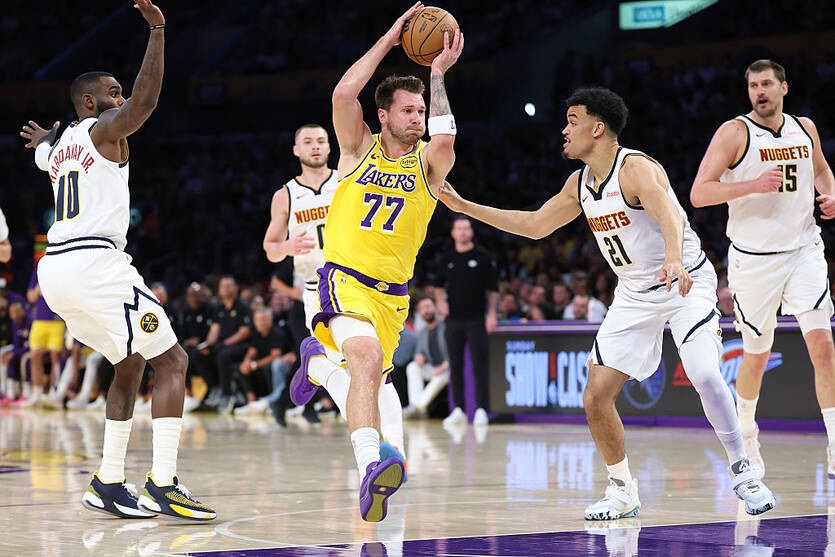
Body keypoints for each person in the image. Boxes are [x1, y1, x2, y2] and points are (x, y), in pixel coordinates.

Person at [439, 86, 775, 519]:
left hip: (683, 283)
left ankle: (744, 471)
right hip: (633, 293)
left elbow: (669, 214)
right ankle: (622, 490)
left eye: (572, 121)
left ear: (597, 128)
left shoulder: (635, 168)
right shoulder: (579, 183)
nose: (564, 130)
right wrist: (462, 205)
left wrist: (674, 258)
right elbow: (535, 225)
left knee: (706, 373)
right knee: (595, 397)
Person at [19, 0, 214, 520]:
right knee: (173, 361)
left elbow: (42, 153)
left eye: (119, 94)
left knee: (129, 362)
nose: (121, 99)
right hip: (94, 264)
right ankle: (164, 483)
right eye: (112, 93)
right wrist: (158, 30)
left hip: (56, 269)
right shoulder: (104, 129)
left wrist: (42, 141)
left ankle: (107, 480)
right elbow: (146, 102)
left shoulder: (62, 147)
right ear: (89, 101)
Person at [287, 1, 463, 522]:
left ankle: (317, 364)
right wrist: (390, 38)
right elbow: (344, 95)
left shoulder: (429, 163)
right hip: (343, 279)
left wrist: (437, 76)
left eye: (420, 111)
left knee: (370, 379)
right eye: (407, 111)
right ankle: (369, 467)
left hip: (394, 295)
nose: (417, 118)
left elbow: (446, 137)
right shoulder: (357, 148)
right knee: (364, 361)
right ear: (383, 116)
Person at [691, 59, 835, 477]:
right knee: (757, 354)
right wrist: (751, 185)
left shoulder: (804, 128)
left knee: (823, 346)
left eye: (767, 84)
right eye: (754, 85)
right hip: (754, 260)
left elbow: (822, 172)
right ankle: (748, 437)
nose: (760, 91)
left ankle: (834, 445)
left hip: (803, 250)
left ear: (783, 88)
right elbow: (699, 193)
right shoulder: (735, 132)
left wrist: (830, 194)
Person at [435, 215, 499, 427]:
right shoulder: (447, 258)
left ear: (471, 232)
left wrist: (492, 314)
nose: (462, 232)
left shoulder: (482, 257)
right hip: (453, 320)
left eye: (466, 228)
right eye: (459, 228)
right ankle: (459, 409)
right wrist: (441, 302)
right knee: (455, 365)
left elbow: (493, 289)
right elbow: (438, 286)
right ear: (453, 233)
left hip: (476, 319)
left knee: (480, 365)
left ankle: (481, 409)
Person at [403, 296, 449, 418]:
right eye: (422, 309)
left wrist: (445, 366)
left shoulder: (446, 327)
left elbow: (454, 351)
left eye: (428, 307)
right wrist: (418, 357)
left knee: (442, 375)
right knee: (413, 367)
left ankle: (418, 407)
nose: (426, 311)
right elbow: (418, 352)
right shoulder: (422, 332)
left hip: (447, 369)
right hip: (432, 368)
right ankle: (416, 405)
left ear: (435, 308)